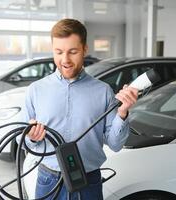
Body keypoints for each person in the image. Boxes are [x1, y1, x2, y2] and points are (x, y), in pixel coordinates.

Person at [22, 18, 138, 200]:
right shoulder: (35, 90)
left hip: (88, 181)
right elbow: (25, 143)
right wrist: (31, 138)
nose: (65, 60)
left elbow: (115, 145)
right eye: (58, 52)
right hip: (49, 179)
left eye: (73, 52)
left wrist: (122, 113)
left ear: (85, 49)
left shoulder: (103, 91)